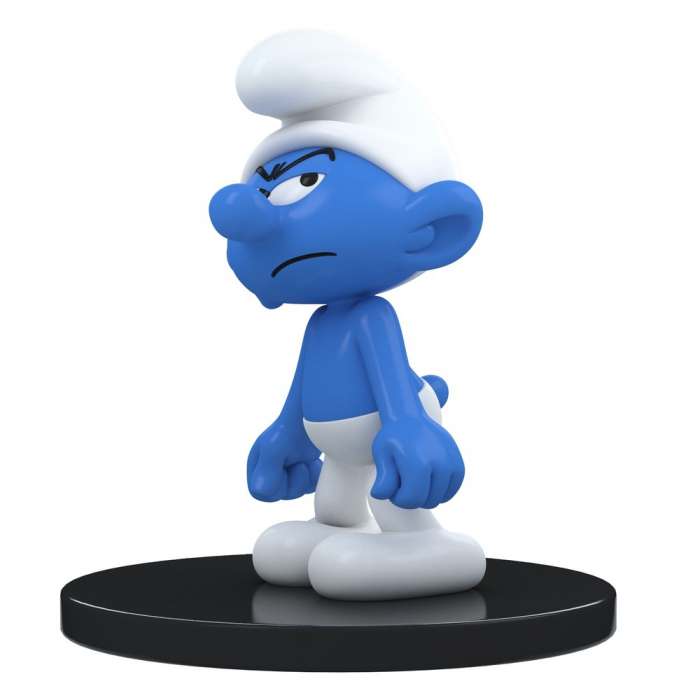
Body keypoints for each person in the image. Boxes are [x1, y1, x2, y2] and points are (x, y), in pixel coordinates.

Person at [209, 30, 486, 600]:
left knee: (389, 499)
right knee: (335, 508)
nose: (249, 216)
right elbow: (303, 388)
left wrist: (409, 426)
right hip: (336, 443)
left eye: (306, 181)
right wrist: (286, 433)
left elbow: (389, 381)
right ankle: (340, 530)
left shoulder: (371, 317)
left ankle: (430, 547)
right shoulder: (321, 323)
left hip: (389, 428)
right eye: (263, 190)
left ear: (432, 229)